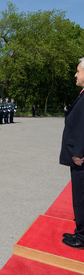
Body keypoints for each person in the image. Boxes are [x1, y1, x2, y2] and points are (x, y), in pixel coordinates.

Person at [60, 57, 84, 249]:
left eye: (78, 71)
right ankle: (80, 231)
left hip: (80, 158)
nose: (75, 74)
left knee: (81, 196)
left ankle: (82, 237)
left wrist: (79, 152)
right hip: (78, 154)